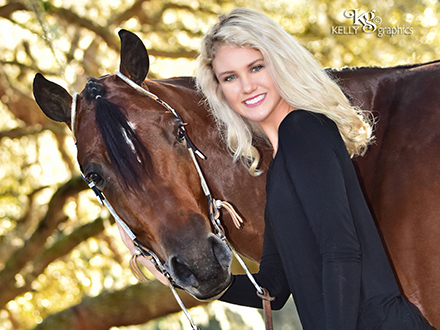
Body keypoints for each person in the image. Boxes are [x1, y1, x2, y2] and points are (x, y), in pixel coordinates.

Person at [194, 7, 433, 330]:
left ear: (279, 63)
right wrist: (187, 281)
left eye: (256, 67)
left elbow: (342, 251)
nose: (247, 86)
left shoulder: (303, 129)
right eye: (231, 77)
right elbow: (274, 288)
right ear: (220, 89)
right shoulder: (280, 163)